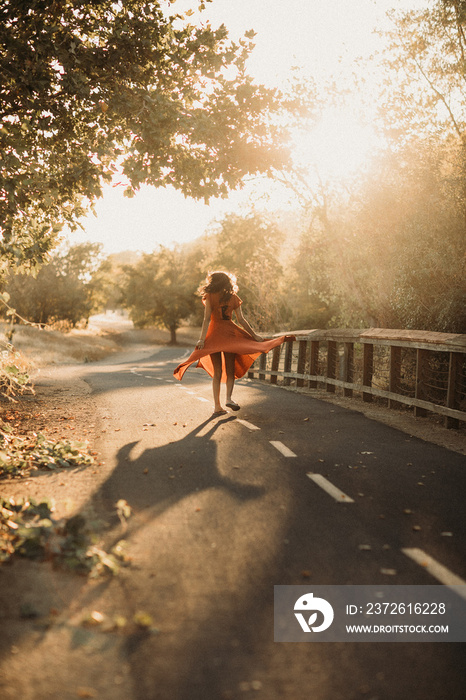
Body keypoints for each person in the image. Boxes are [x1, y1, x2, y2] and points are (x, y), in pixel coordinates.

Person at [173, 270, 295, 415]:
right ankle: (229, 399)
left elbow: (206, 319)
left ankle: (217, 406)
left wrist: (201, 339)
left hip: (214, 337)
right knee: (230, 370)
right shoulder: (233, 298)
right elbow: (242, 320)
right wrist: (254, 336)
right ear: (227, 282)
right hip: (230, 336)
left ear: (214, 282)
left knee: (217, 372)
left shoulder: (210, 296)